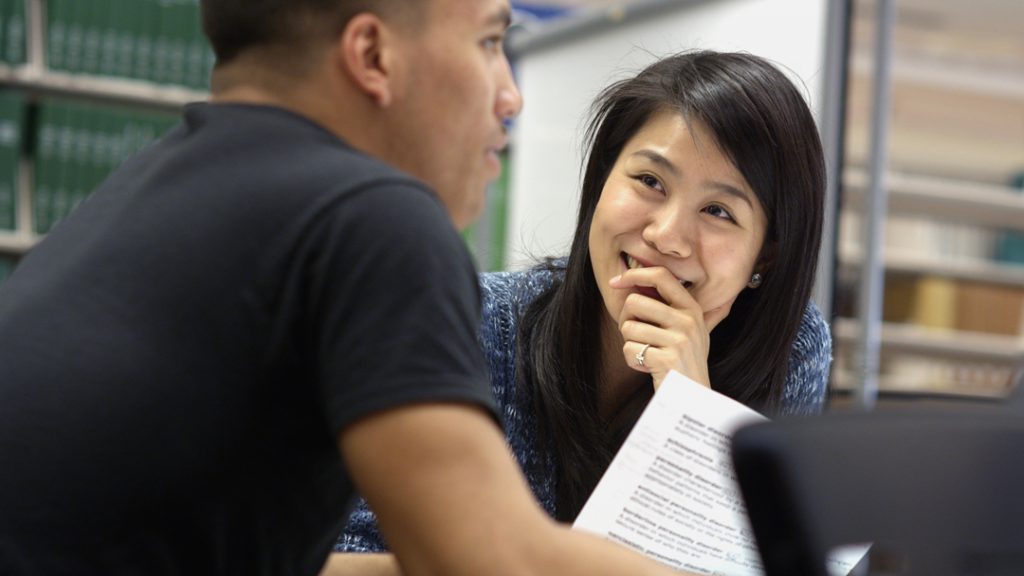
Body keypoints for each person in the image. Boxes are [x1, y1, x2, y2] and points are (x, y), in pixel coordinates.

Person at [0, 1, 686, 575]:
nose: (511, 95)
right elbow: (494, 563)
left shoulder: (161, 186)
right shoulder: (369, 213)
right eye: (486, 42)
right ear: (372, 56)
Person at [331, 49, 831, 566]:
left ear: (765, 257)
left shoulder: (790, 348)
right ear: (601, 182)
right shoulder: (467, 319)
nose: (666, 236)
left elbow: (755, 560)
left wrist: (691, 410)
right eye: (650, 182)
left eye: (719, 211)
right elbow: (347, 553)